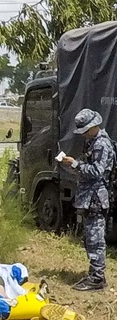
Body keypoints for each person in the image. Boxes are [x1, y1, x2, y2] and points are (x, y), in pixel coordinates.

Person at [61, 108, 116, 291]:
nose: (83, 135)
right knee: (90, 238)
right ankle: (95, 275)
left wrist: (75, 164)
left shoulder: (101, 144)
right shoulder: (93, 142)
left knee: (95, 239)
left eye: (85, 130)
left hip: (96, 198)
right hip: (90, 196)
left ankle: (97, 278)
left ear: (93, 127)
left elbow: (96, 172)